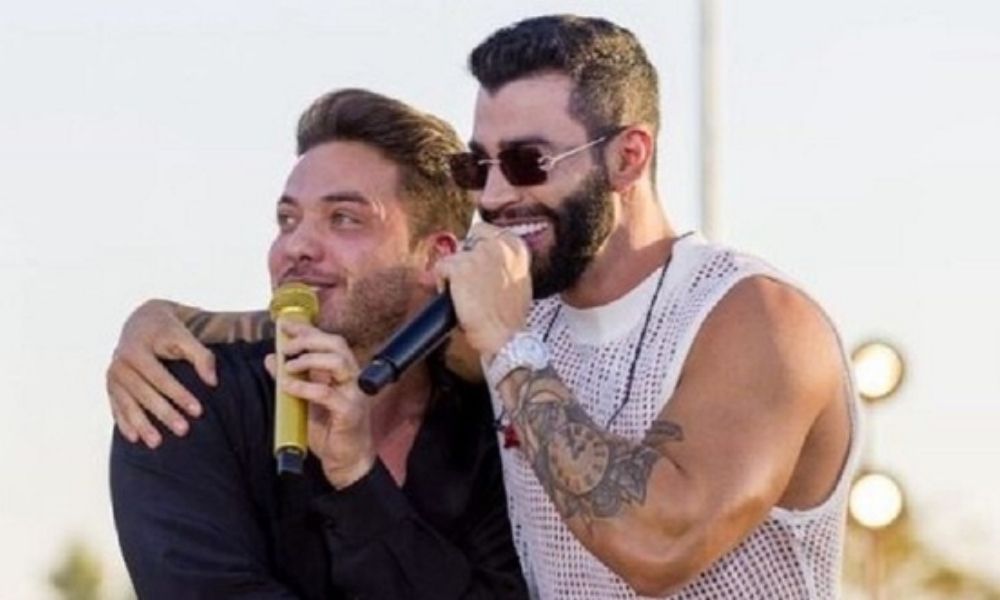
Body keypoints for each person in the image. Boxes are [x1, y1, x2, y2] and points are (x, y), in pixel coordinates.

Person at [108, 15, 861, 600]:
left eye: (529, 162)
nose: (496, 196)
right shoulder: (502, 314)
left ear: (627, 156)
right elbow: (363, 307)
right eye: (479, 166)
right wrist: (167, 321)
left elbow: (660, 548)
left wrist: (509, 346)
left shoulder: (751, 318)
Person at [109, 88, 527, 599]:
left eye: (344, 218)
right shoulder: (184, 400)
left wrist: (358, 479)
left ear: (436, 256)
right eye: (287, 220)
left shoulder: (497, 429)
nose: (296, 247)